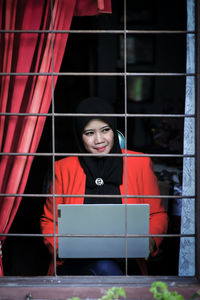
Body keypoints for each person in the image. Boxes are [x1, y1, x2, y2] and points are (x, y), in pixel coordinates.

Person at [40, 97, 168, 275]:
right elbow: (50, 221)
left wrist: (151, 240)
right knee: (104, 266)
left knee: (106, 267)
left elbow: (157, 214)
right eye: (89, 133)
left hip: (126, 261)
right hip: (75, 262)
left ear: (114, 129)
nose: (99, 140)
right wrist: (60, 247)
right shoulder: (63, 169)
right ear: (79, 135)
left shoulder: (139, 163)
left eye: (105, 130)